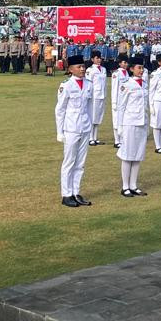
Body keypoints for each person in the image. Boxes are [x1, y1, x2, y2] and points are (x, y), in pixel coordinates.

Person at [55, 54, 93, 207]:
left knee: (81, 162)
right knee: (69, 161)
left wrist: (90, 124)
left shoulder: (89, 84)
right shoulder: (67, 85)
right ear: (70, 69)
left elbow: (90, 106)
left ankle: (76, 192)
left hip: (84, 126)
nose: (82, 69)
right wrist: (60, 131)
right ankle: (66, 194)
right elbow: (60, 109)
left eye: (83, 66)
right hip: (71, 128)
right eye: (79, 67)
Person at [116, 58, 150, 198]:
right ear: (131, 69)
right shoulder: (126, 84)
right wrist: (120, 126)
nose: (141, 70)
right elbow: (121, 106)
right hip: (129, 123)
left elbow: (146, 105)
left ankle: (134, 185)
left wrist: (148, 124)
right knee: (127, 155)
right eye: (138, 68)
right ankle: (125, 186)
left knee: (138, 155)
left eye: (142, 68)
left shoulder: (144, 84)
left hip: (142, 122)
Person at [85, 51, 108, 145]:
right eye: (96, 58)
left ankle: (95, 137)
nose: (98, 60)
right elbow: (88, 83)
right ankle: (90, 137)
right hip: (94, 96)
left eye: (99, 58)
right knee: (92, 117)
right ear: (92, 59)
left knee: (98, 117)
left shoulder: (103, 69)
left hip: (102, 95)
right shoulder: (90, 70)